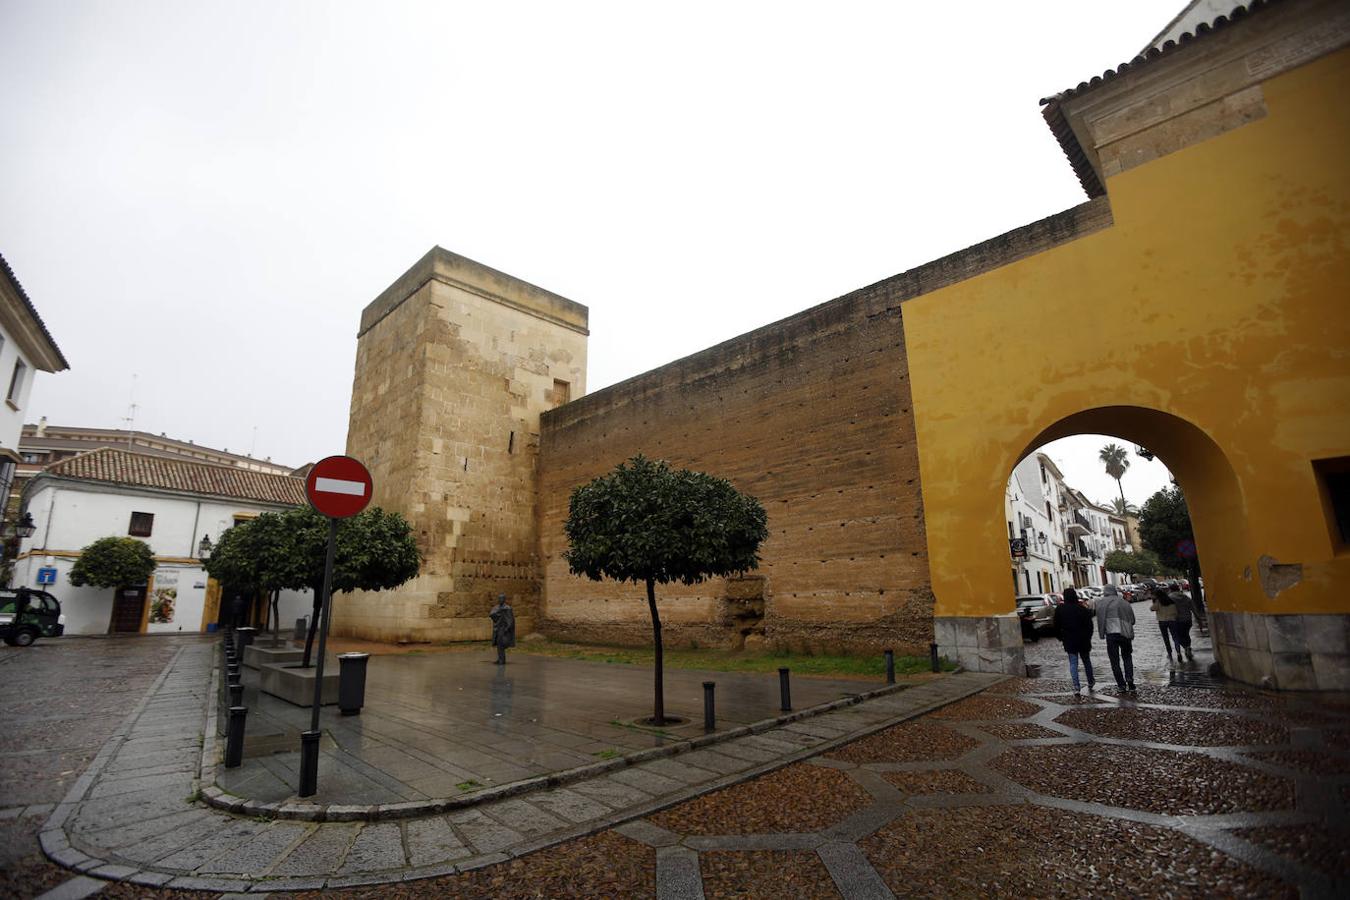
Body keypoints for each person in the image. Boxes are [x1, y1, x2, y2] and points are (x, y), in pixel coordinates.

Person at [1053, 586, 1095, 695]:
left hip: (1069, 640)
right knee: (1086, 661)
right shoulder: (1082, 609)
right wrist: (1088, 637)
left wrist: (1060, 637)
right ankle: (1090, 681)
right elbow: (1090, 626)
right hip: (1083, 640)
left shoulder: (1060, 610)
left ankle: (1076, 686)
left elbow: (1056, 625)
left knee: (1073, 663)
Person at [1096, 584, 1136, 692]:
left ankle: (1121, 685)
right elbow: (1132, 620)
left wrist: (1102, 633)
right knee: (1127, 657)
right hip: (1124, 634)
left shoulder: (1101, 603)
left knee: (1114, 661)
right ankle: (1130, 679)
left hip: (1111, 635)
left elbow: (1100, 620)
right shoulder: (1123, 602)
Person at [1167, 581, 1196, 661]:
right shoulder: (1185, 597)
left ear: (1170, 589)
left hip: (1177, 620)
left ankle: (1186, 647)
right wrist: (1198, 619)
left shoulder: (1169, 597)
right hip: (1187, 619)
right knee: (1186, 634)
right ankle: (1188, 647)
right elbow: (1192, 608)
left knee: (1178, 637)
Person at [1151, 585, 1177, 661]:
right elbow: (1175, 612)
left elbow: (1152, 608)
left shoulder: (1158, 601)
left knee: (1166, 638)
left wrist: (1154, 601)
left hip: (1162, 622)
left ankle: (1169, 653)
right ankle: (1178, 652)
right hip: (1172, 620)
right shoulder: (1170, 600)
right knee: (1175, 637)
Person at [489, 593, 515, 665]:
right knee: (498, 644)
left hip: (503, 629)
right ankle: (500, 658)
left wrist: (507, 628)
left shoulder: (507, 608)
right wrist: (498, 613)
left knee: (502, 644)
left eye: (502, 598)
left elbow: (510, 619)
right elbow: (491, 614)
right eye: (499, 598)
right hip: (498, 628)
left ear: (504, 599)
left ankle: (502, 660)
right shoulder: (496, 607)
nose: (500, 600)